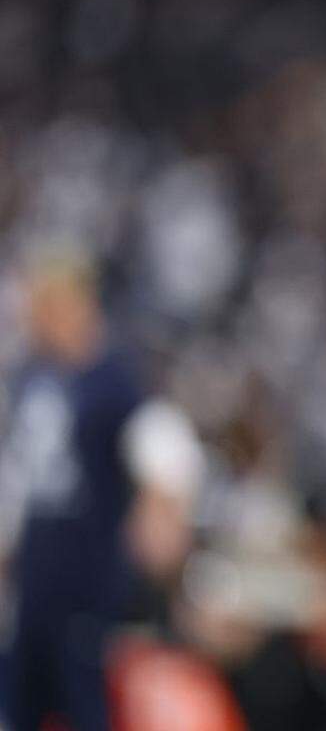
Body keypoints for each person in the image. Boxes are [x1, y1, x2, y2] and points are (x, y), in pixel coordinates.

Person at [0, 251, 203, 731]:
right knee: (22, 706)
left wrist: (160, 508)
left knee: (86, 707)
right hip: (34, 580)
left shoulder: (115, 378)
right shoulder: (31, 375)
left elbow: (165, 451)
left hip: (87, 581)